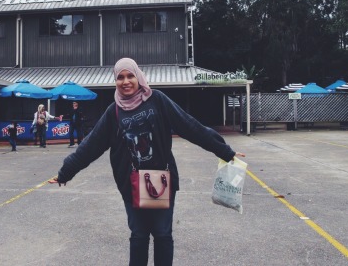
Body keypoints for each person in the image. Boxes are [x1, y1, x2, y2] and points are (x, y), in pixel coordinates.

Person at [50, 57, 245, 266]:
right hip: (131, 184)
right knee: (139, 235)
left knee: (162, 233)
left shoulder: (157, 100)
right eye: (120, 77)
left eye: (130, 75)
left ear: (139, 77)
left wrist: (224, 151)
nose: (125, 81)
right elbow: (90, 146)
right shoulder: (113, 112)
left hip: (162, 179)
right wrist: (66, 172)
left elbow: (189, 126)